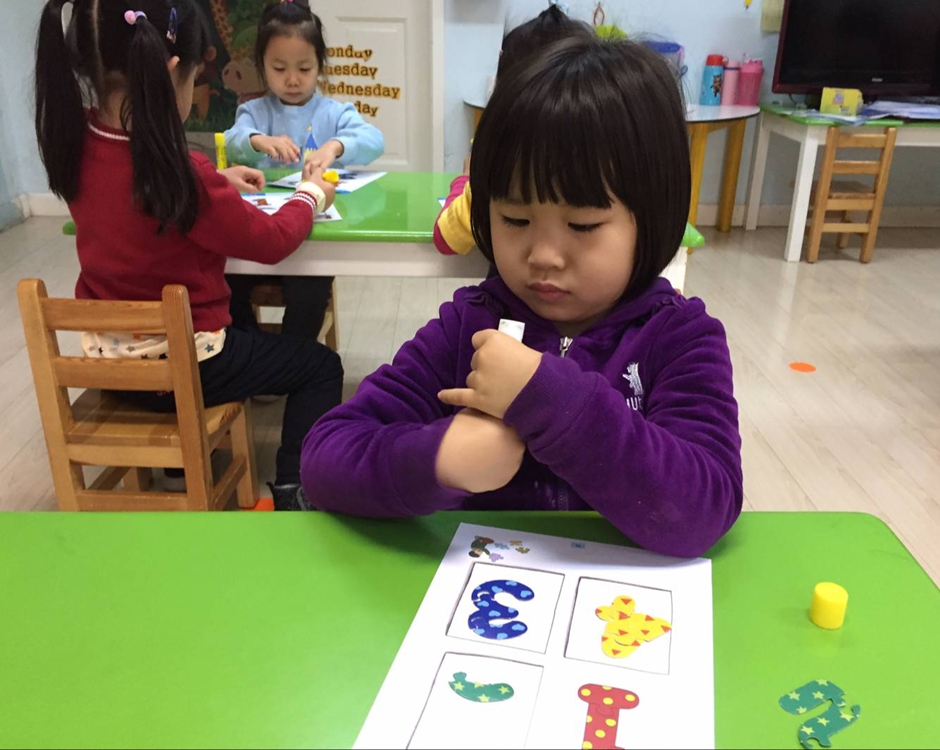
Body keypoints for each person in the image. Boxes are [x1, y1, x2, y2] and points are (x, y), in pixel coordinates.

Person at [300, 37, 743, 557]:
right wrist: (436, 460)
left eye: (582, 225)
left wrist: (549, 399)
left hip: (619, 601)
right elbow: (326, 455)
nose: (543, 256)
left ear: (652, 217)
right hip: (481, 592)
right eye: (514, 219)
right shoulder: (468, 326)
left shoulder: (680, 338)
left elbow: (705, 508)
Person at [35, 0, 342, 510]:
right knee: (320, 366)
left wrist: (214, 179)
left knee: (242, 332)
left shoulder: (75, 144)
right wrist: (310, 195)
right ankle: (294, 491)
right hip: (188, 367)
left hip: (109, 363)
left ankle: (178, 469)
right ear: (173, 69)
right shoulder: (183, 174)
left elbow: (129, 199)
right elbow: (270, 242)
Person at [223, 0, 385, 341]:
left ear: (319, 65)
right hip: (261, 237)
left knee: (309, 293)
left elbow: (374, 140)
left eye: (305, 68)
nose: (293, 79)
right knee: (225, 282)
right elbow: (234, 140)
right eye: (279, 68)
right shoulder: (254, 111)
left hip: (311, 241)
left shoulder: (333, 112)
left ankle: (293, 356)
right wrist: (258, 140)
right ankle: (254, 348)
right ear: (262, 66)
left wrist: (335, 146)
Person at [433, 3, 593, 259]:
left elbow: (446, 239)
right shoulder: (605, 158)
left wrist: (465, 179)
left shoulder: (501, 157)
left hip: (514, 285)